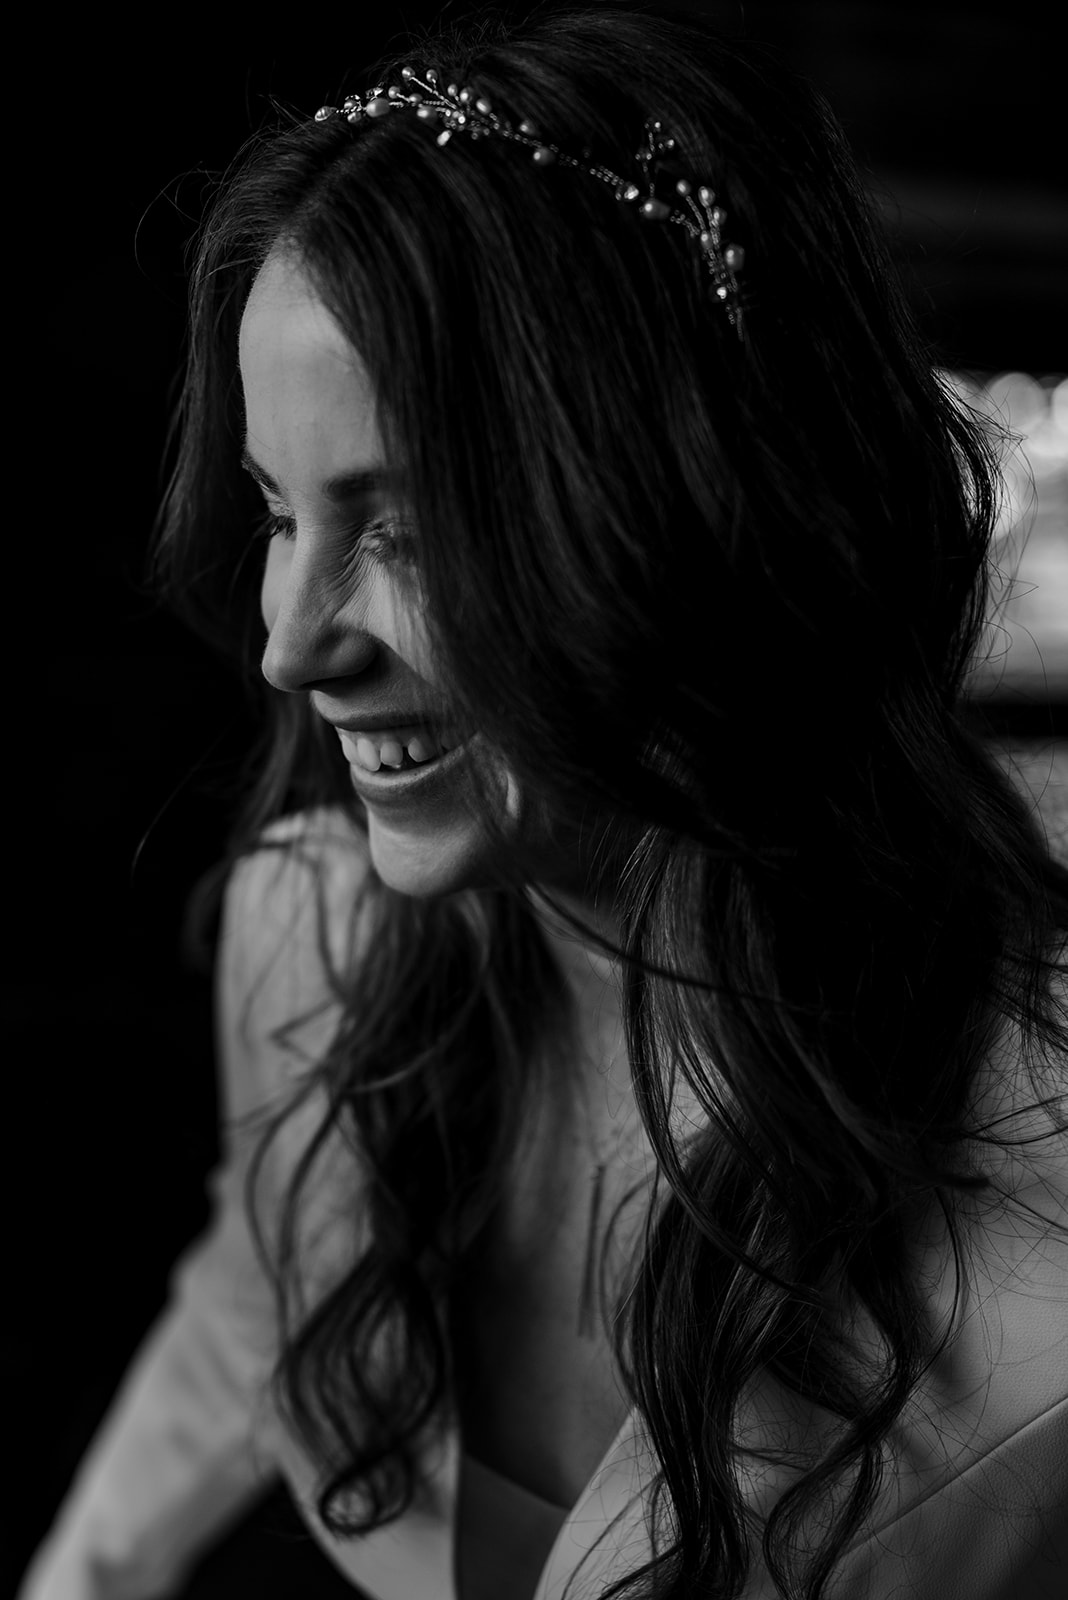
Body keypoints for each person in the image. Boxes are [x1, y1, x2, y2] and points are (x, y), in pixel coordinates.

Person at [19, 2, 1068, 1597]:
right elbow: (250, 1314)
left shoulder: (1039, 1186)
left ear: (698, 510)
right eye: (274, 508)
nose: (291, 643)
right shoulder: (307, 942)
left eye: (412, 525)